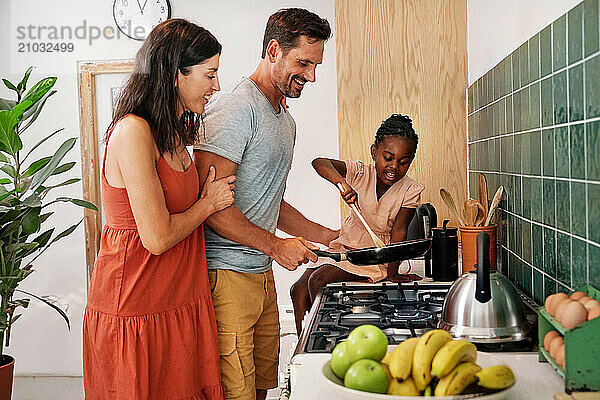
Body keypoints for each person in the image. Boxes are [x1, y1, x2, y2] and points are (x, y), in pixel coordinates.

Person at [83, 19, 234, 399]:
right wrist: (208, 203)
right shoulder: (133, 131)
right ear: (175, 74)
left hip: (177, 302)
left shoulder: (176, 133)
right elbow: (157, 236)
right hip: (135, 308)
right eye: (209, 74)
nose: (216, 86)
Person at [193, 8, 335, 400]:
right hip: (226, 276)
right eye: (303, 63)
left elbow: (270, 197)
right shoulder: (235, 109)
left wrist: (330, 236)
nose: (310, 76)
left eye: (315, 65)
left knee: (259, 390)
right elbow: (213, 205)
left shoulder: (284, 120)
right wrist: (276, 246)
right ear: (274, 50)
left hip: (260, 274)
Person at [290, 114, 425, 334]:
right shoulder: (362, 173)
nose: (393, 167)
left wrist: (392, 273)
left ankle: (326, 338)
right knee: (298, 291)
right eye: (387, 157)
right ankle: (303, 346)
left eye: (403, 162)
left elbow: (399, 231)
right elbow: (319, 163)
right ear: (374, 152)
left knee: (319, 280)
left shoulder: (410, 190)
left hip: (374, 256)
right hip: (344, 247)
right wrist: (342, 184)